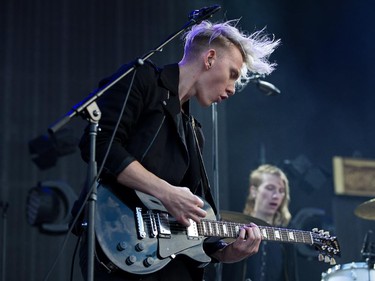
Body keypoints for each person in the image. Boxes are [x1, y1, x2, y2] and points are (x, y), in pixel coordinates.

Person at [76, 19, 280, 281]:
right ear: (209, 58)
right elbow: (98, 145)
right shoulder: (143, 80)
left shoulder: (193, 132)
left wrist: (225, 253)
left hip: (164, 260)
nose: (231, 89)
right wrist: (166, 192)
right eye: (232, 74)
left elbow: (193, 218)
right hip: (115, 237)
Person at [223, 164, 296, 281]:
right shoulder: (236, 227)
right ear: (254, 191)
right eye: (270, 188)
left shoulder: (286, 234)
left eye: (281, 191)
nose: (276, 195)